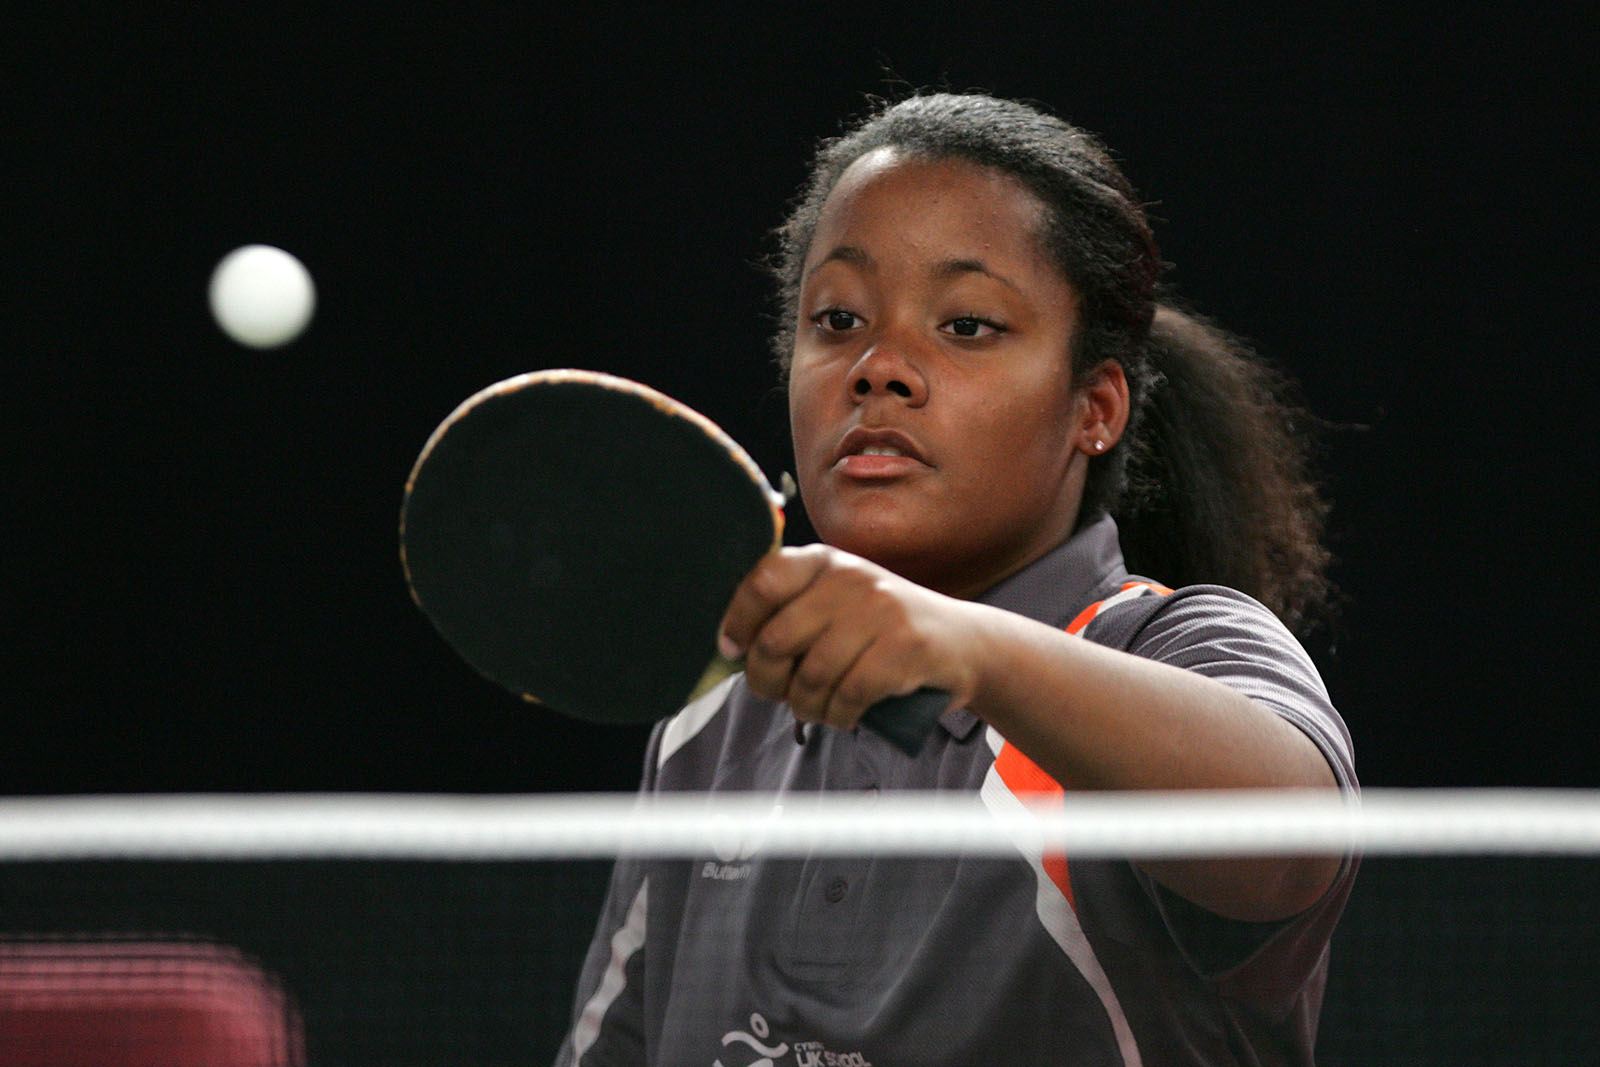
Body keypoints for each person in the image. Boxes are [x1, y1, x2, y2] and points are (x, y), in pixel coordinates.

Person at [556, 92, 1357, 1067]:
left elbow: (1287, 845)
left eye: (968, 324)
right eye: (837, 318)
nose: (879, 366)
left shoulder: (1175, 648)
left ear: (1093, 407)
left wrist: (959, 644)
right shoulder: (713, 729)